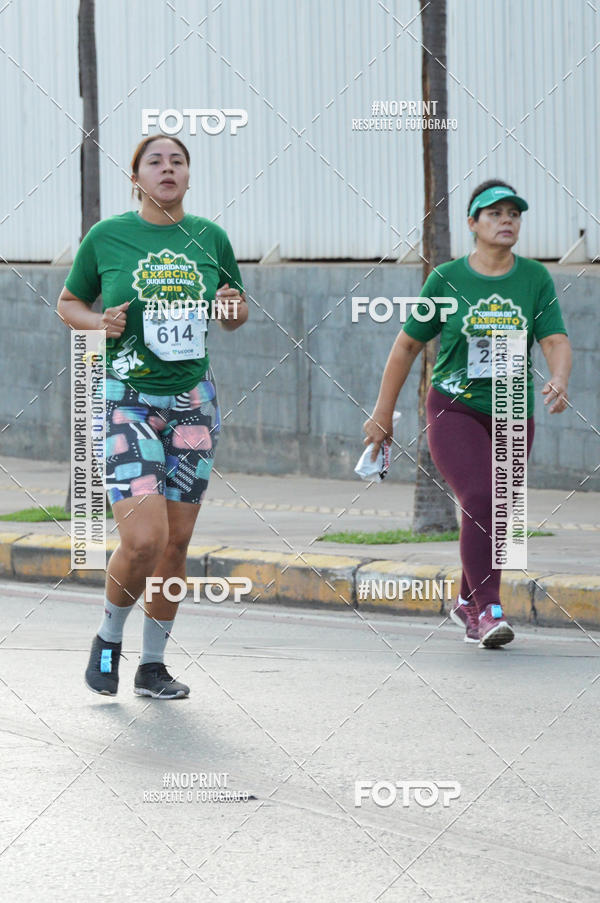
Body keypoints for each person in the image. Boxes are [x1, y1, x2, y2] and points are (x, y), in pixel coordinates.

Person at [57, 134, 248, 696]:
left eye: (178, 161)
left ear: (189, 176)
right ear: (135, 177)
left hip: (193, 403)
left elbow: (234, 309)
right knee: (144, 538)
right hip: (125, 398)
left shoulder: (211, 238)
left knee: (175, 544)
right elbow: (68, 303)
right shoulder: (108, 237)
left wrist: (234, 308)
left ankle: (153, 665)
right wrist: (98, 323)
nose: (167, 169)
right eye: (155, 162)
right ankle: (109, 639)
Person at [363, 179, 572, 648]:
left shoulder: (535, 278)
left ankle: (466, 600)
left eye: (513, 214)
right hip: (455, 407)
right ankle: (489, 611)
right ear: (473, 224)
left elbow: (555, 339)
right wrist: (382, 413)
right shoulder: (447, 279)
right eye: (494, 214)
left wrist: (559, 377)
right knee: (481, 498)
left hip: (513, 409)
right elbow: (407, 345)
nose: (506, 221)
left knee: (504, 514)